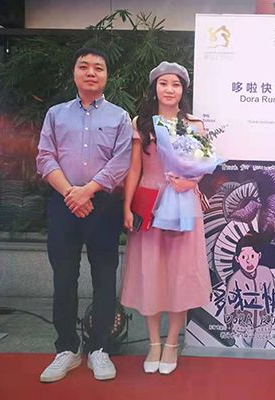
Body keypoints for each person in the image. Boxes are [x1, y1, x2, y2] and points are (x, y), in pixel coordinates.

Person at [36, 48, 132, 382]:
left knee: (104, 278)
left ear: (107, 75)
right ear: (75, 73)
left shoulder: (120, 117)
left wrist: (87, 191)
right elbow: (45, 157)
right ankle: (66, 349)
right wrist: (71, 193)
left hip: (103, 206)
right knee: (64, 278)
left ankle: (99, 349)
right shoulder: (56, 114)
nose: (91, 72)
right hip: (63, 203)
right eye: (84, 66)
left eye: (98, 68)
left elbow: (121, 161)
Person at [120, 61, 212, 375]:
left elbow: (202, 164)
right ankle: (153, 343)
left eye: (175, 84)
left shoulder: (194, 125)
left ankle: (172, 343)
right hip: (149, 204)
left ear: (183, 90)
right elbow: (135, 168)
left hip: (183, 205)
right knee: (150, 271)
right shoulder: (141, 123)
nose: (169, 89)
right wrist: (127, 206)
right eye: (163, 83)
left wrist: (192, 181)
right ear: (154, 88)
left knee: (180, 273)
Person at [225, 231, 275, 348]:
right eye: (243, 257)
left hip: (264, 321)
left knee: (258, 348)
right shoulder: (235, 279)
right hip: (245, 322)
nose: (248, 261)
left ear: (259, 256)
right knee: (247, 345)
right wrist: (229, 323)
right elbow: (229, 303)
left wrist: (268, 313)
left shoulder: (266, 272)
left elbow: (271, 295)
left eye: (252, 256)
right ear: (237, 259)